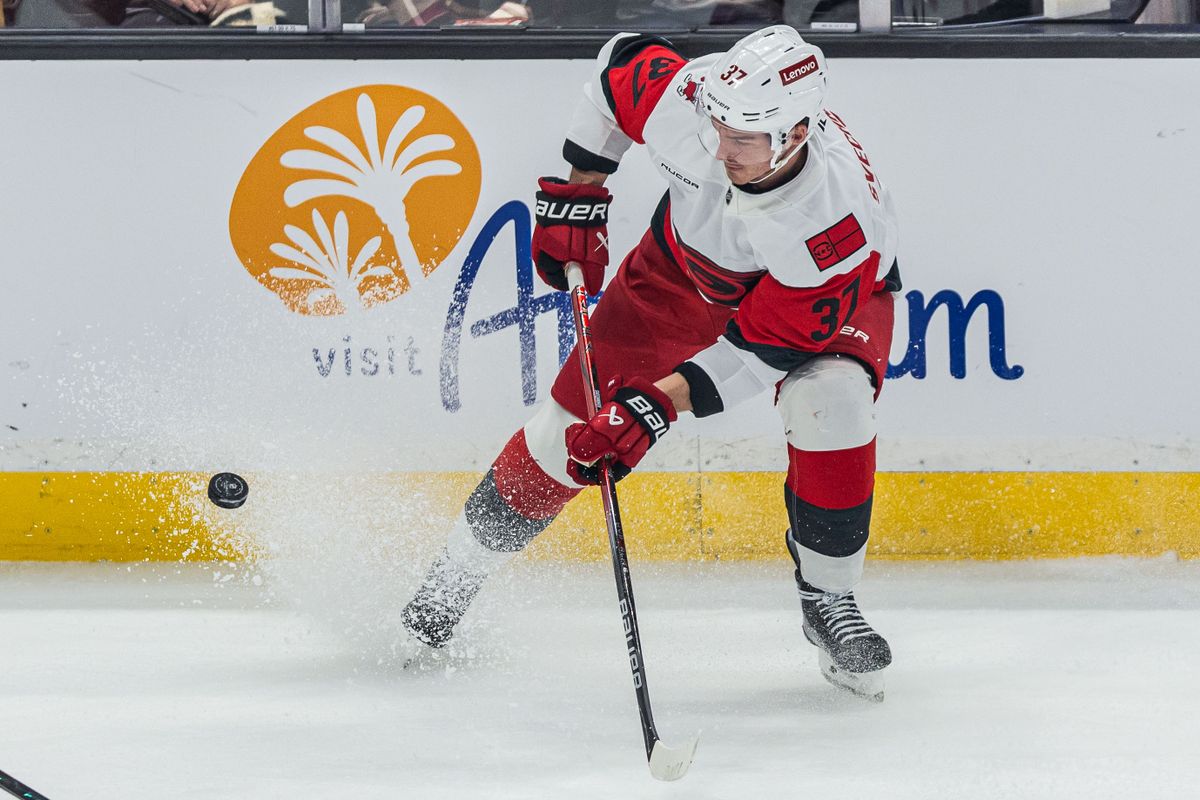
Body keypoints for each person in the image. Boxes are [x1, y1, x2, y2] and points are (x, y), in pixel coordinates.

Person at [400, 25, 902, 701]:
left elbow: (762, 351)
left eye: (745, 139)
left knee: (830, 403)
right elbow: (617, 66)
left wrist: (655, 404)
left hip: (821, 298)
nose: (722, 150)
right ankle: (451, 578)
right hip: (679, 271)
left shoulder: (834, 226)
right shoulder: (694, 103)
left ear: (796, 134)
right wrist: (582, 192)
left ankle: (829, 599)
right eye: (720, 129)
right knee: (560, 436)